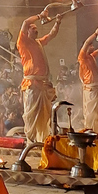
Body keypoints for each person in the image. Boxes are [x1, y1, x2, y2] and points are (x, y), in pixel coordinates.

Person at [17, 10, 61, 143]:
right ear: (28, 32)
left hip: (42, 84)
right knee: (31, 114)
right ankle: (31, 142)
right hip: (31, 84)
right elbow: (25, 22)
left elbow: (51, 35)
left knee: (44, 114)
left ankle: (41, 140)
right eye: (33, 29)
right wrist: (40, 16)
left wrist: (58, 22)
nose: (36, 31)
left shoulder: (39, 43)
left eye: (36, 29)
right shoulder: (23, 42)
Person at [78, 27, 98, 133]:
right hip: (91, 90)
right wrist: (95, 34)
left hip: (97, 89)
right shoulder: (82, 57)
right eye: (90, 45)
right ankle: (91, 131)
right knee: (92, 112)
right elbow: (87, 42)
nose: (92, 46)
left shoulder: (92, 56)